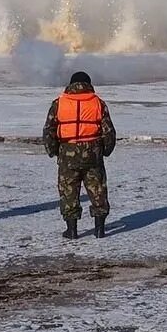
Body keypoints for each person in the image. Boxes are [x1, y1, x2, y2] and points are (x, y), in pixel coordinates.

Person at [43, 71, 117, 239]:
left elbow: (49, 130)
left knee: (69, 191)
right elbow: (109, 131)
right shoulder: (98, 103)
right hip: (93, 153)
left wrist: (53, 150)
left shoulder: (59, 103)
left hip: (67, 154)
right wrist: (106, 150)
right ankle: (100, 229)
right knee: (98, 190)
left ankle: (72, 230)